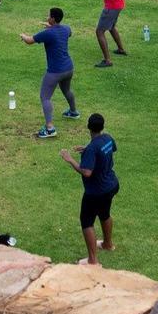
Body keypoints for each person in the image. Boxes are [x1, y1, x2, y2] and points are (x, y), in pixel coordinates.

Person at [60, 113, 119, 267]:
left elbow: (87, 172)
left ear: (88, 127)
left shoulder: (92, 149)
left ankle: (92, 261)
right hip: (111, 184)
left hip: (96, 191)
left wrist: (70, 159)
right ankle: (107, 244)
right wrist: (87, 149)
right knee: (104, 214)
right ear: (102, 126)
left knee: (86, 221)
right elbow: (111, 149)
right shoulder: (107, 138)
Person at [20, 7, 79, 139]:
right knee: (67, 90)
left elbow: (30, 40)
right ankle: (73, 112)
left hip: (55, 71)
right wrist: (51, 27)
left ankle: (50, 128)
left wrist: (23, 35)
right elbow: (68, 33)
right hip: (68, 68)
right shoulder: (66, 28)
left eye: (49, 16)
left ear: (52, 18)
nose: (47, 17)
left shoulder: (47, 34)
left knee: (45, 97)